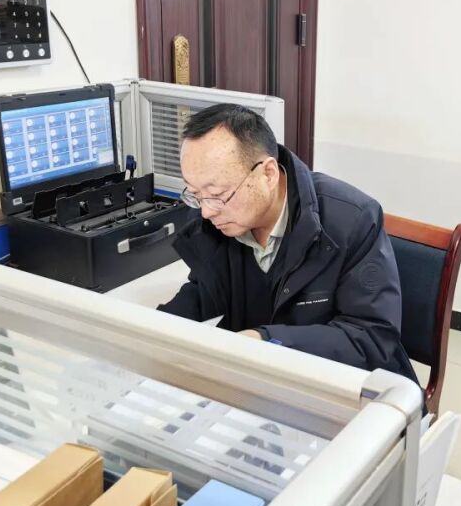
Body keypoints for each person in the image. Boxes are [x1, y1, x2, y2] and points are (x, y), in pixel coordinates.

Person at [157, 103, 418, 382]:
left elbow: (372, 338)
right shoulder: (216, 219)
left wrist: (266, 341)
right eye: (195, 194)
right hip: (257, 381)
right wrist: (155, 329)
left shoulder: (352, 220)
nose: (206, 211)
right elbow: (207, 291)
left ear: (268, 174)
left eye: (217, 194)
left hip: (338, 387)